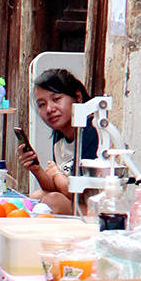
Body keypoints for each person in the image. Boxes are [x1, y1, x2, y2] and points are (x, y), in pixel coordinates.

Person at [16, 68, 99, 215]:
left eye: (56, 99)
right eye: (42, 104)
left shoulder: (92, 132)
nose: (49, 109)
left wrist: (55, 174)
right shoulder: (60, 136)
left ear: (78, 97)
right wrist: (36, 169)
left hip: (97, 210)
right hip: (77, 204)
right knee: (37, 196)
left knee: (52, 201)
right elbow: (54, 187)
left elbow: (73, 191)